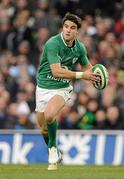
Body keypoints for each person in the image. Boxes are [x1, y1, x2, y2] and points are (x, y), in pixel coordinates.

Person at [35, 12, 100, 170]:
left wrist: (96, 76)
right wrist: (82, 75)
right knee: (43, 128)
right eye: (65, 27)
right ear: (62, 27)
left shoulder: (80, 48)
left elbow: (87, 68)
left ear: (77, 31)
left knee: (50, 114)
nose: (68, 30)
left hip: (62, 88)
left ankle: (51, 150)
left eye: (72, 28)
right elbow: (56, 71)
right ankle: (57, 151)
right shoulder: (53, 43)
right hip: (43, 87)